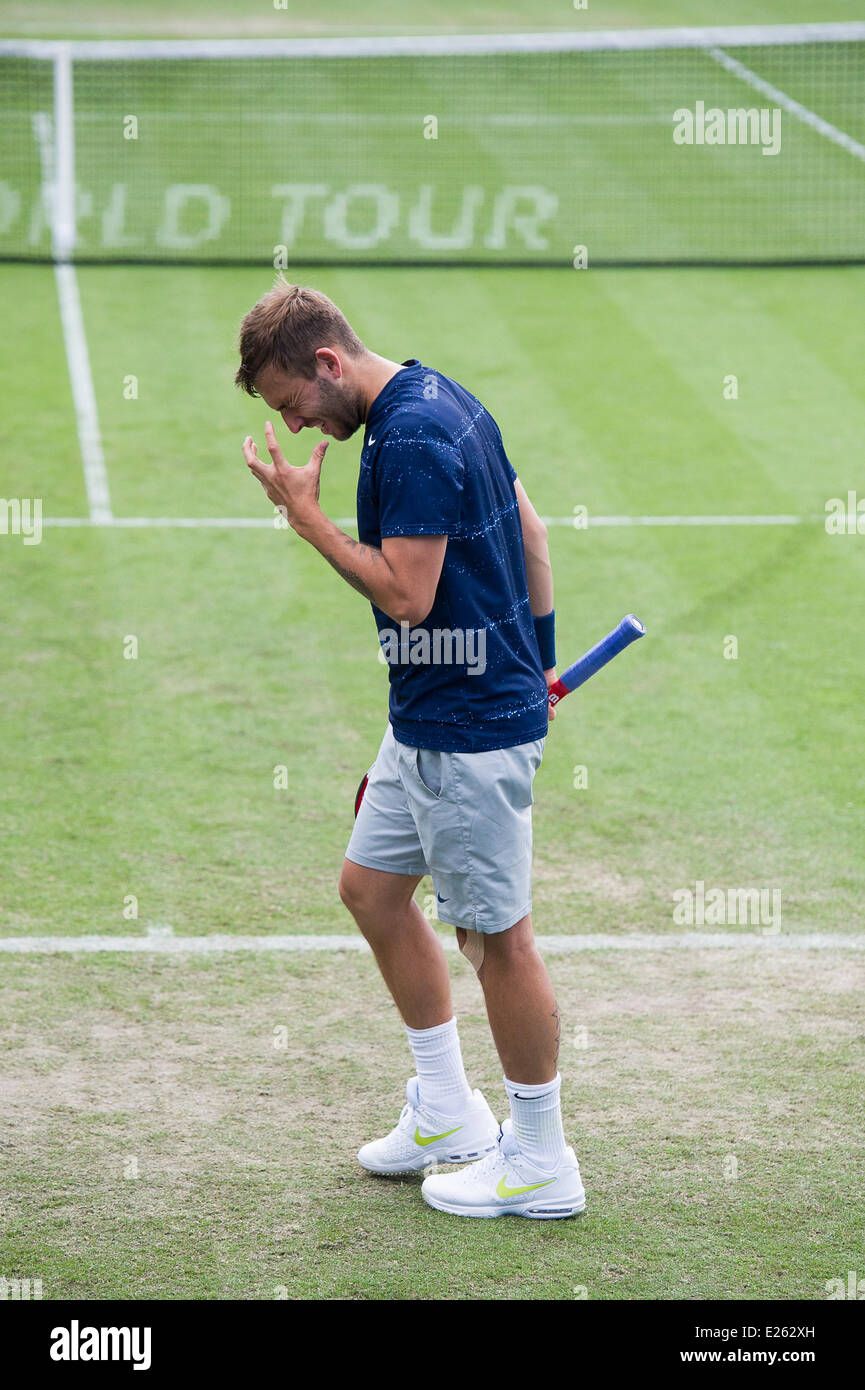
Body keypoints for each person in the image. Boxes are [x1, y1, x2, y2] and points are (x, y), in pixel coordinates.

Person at [236, 277, 585, 1219]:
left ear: (326, 362)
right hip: (426, 717)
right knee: (372, 890)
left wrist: (307, 521)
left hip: (466, 733)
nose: (299, 428)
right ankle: (444, 1111)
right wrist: (541, 667)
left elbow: (406, 596)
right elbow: (533, 532)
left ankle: (541, 1159)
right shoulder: (442, 399)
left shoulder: (415, 437)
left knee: (495, 940)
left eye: (291, 404)